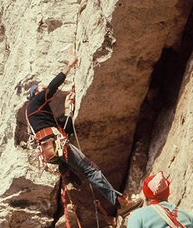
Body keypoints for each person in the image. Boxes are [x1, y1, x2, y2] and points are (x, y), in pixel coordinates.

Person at [26, 54, 141, 216]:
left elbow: (65, 130)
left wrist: (67, 108)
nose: (44, 89)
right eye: (41, 89)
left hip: (51, 149)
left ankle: (65, 169)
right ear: (36, 94)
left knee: (80, 163)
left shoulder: (37, 115)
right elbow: (52, 87)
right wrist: (69, 66)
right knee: (91, 170)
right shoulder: (35, 103)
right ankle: (120, 202)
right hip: (56, 145)